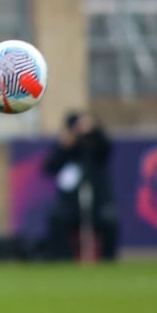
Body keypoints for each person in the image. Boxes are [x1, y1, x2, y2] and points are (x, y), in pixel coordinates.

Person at [41, 111, 118, 261]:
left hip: (97, 202)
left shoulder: (95, 145)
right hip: (71, 205)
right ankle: (65, 258)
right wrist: (64, 147)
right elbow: (49, 168)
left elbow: (106, 148)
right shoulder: (66, 148)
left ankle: (108, 261)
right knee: (57, 220)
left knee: (110, 222)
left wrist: (93, 131)